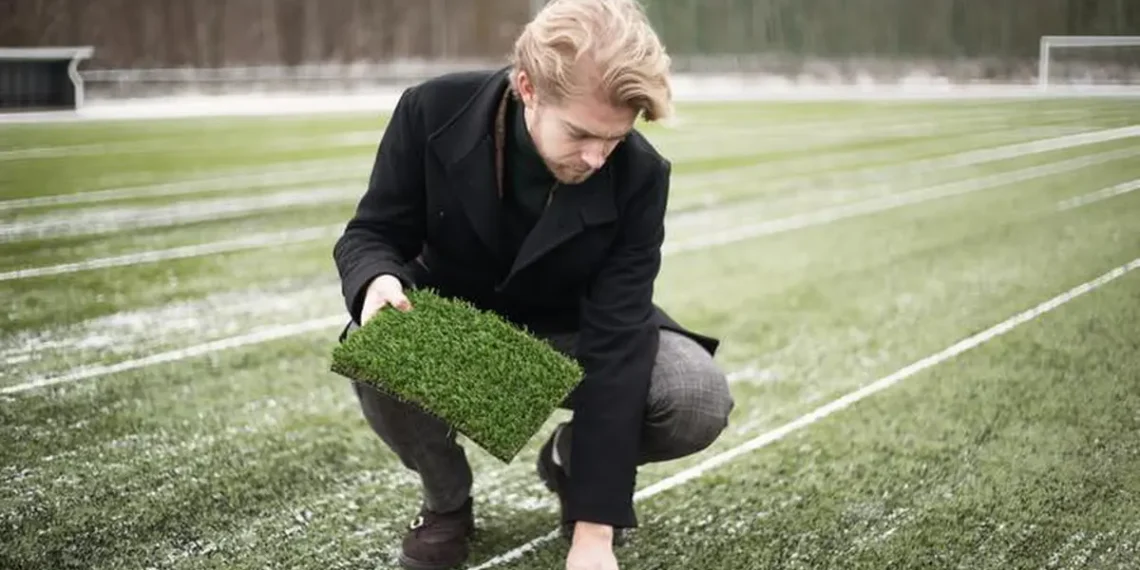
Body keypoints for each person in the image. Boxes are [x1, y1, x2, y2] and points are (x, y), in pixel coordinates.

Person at [332, 0, 734, 568]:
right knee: (377, 335)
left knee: (697, 397)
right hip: (462, 333)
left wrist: (593, 535)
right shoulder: (431, 110)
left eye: (615, 139)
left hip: (577, 337)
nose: (597, 158)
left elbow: (618, 342)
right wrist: (376, 279)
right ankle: (447, 504)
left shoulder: (642, 176)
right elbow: (371, 232)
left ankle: (570, 461)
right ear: (527, 88)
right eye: (581, 134)